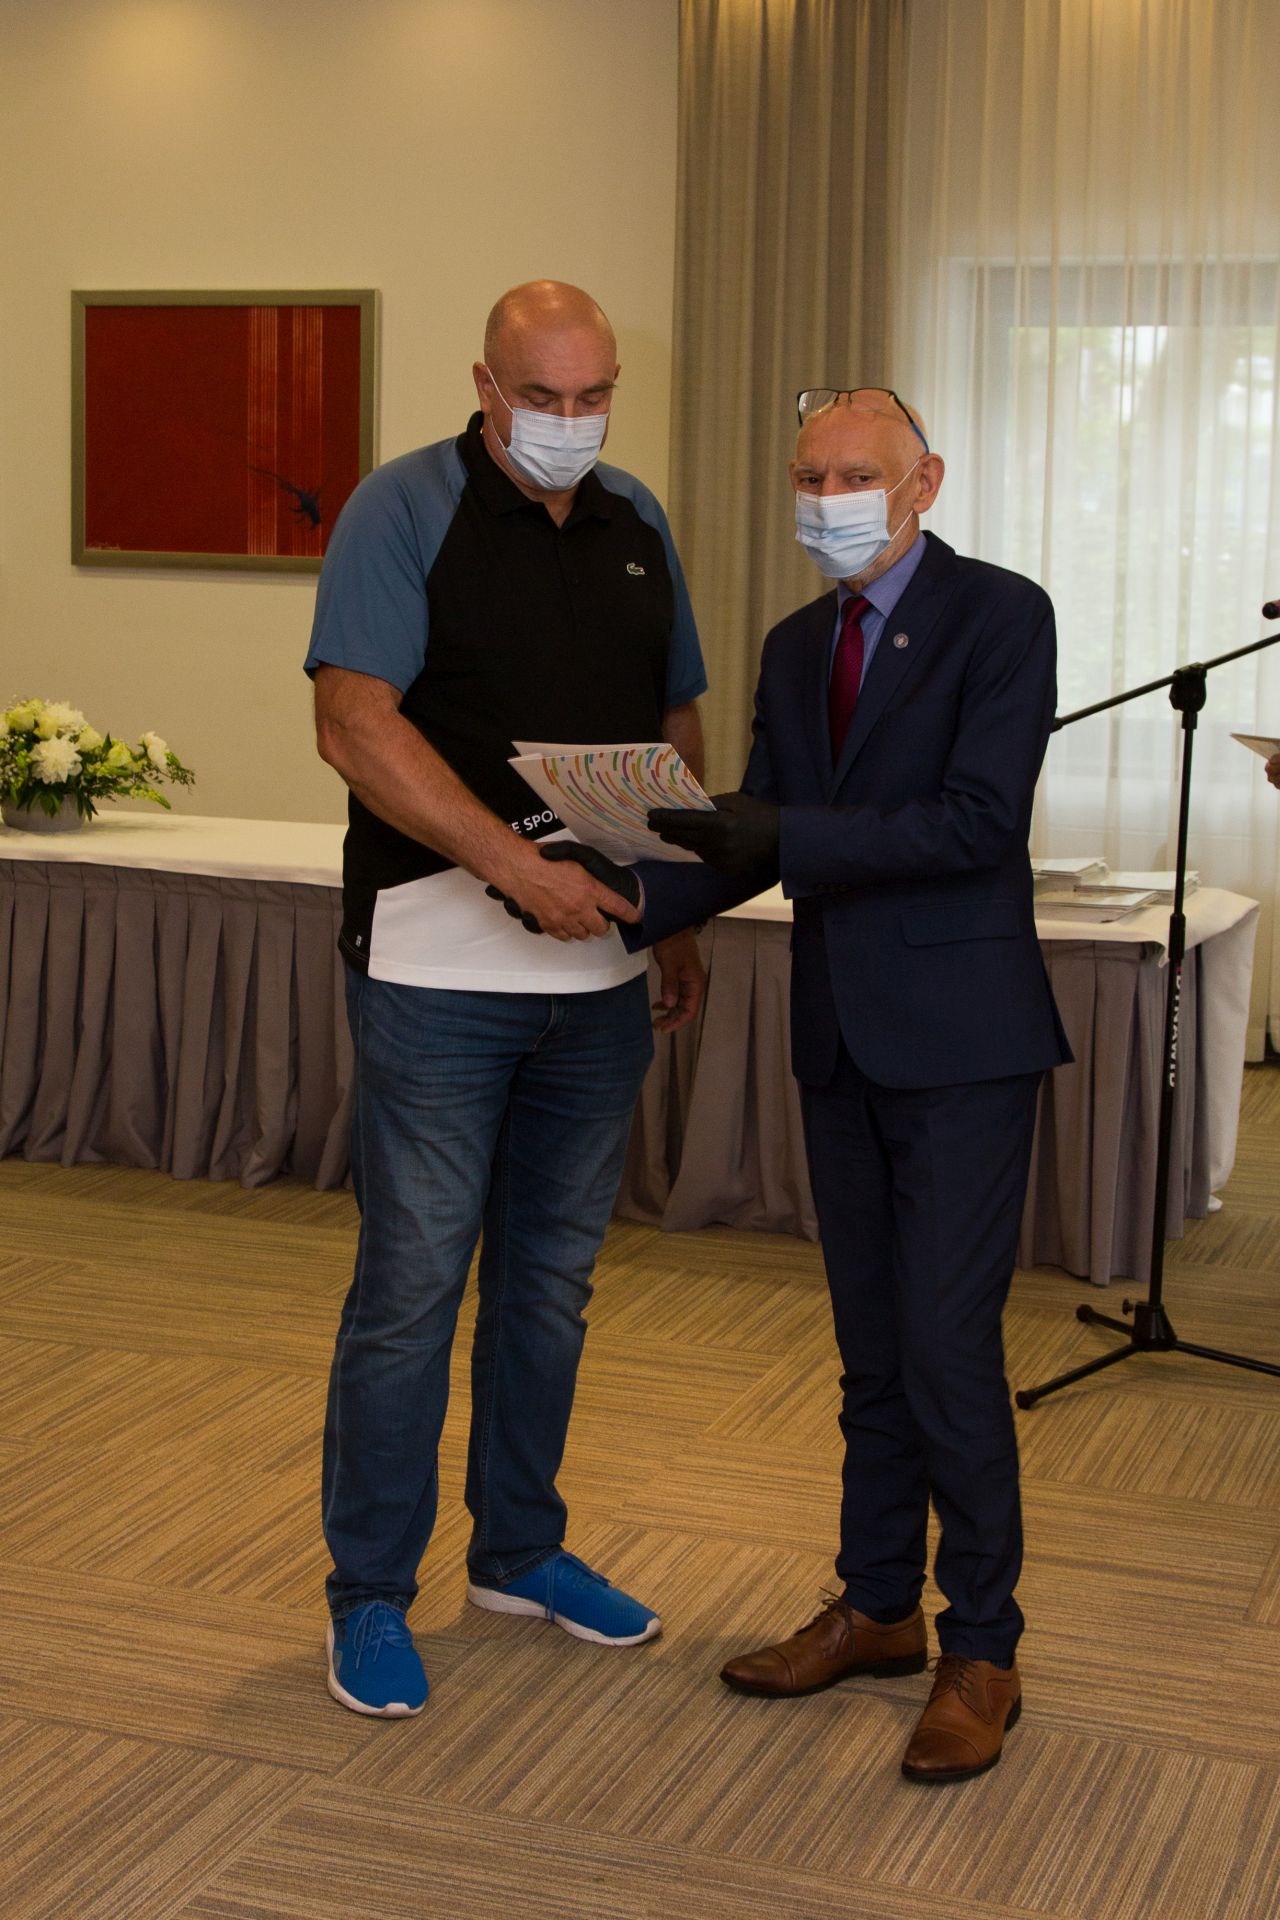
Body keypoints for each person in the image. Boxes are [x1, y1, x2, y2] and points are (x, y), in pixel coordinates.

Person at [505, 388, 1072, 1782]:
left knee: (947, 1351)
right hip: (841, 1038)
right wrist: (617, 892)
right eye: (809, 477)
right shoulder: (793, 642)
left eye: (856, 474)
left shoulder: (1003, 616)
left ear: (925, 481)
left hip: (964, 1043)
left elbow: (976, 824)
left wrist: (773, 830)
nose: (829, 500)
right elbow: (750, 839)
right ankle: (877, 1606)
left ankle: (983, 1646)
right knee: (871, 1350)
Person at [305, 280, 708, 1717]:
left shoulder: (636, 518)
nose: (570, 421)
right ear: (485, 385)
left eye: (593, 396)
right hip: (437, 969)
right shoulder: (402, 509)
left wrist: (677, 911)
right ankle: (369, 1591)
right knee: (412, 1289)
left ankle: (519, 1551)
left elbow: (670, 719)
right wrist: (511, 868)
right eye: (542, 397)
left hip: (598, 979)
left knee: (549, 1284)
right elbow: (353, 722)